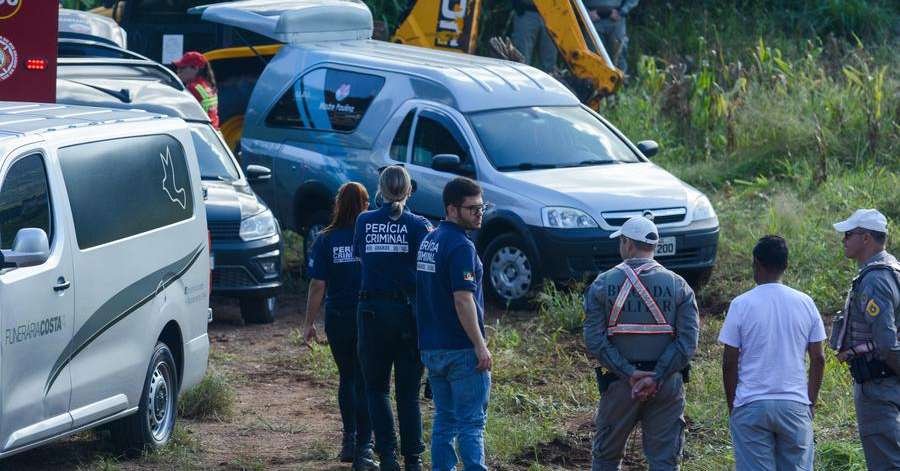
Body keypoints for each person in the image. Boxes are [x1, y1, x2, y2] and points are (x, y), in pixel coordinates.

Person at [583, 216, 699, 471]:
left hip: (619, 386)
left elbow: (594, 340)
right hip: (666, 385)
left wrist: (630, 373)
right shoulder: (680, 286)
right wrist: (656, 376)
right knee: (665, 461)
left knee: (606, 458)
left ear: (627, 243)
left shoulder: (602, 284)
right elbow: (688, 343)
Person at [719, 235, 826, 470]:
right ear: (786, 265)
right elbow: (818, 358)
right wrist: (810, 402)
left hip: (751, 405)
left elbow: (729, 362)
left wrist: (733, 406)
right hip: (795, 405)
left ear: (756, 263)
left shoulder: (741, 304)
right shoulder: (805, 302)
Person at [352, 166, 432, 471]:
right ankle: (413, 460)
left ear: (380, 190)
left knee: (377, 389)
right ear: (409, 191)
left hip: (372, 314)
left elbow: (363, 258)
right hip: (409, 315)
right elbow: (426, 271)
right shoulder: (419, 225)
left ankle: (387, 458)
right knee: (408, 395)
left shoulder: (364, 220)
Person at [416, 177, 492, 470]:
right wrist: (480, 346)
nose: (479, 213)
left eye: (481, 207)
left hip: (432, 347)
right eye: (472, 208)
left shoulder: (429, 240)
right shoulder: (461, 246)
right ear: (451, 209)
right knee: (471, 424)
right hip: (460, 349)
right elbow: (463, 300)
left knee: (444, 422)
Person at [303, 182, 378, 470]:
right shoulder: (371, 236)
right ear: (362, 205)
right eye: (367, 202)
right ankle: (365, 445)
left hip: (338, 316)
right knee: (367, 380)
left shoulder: (326, 239)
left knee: (347, 377)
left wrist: (309, 323)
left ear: (338, 204)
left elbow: (318, 284)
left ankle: (349, 439)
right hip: (369, 315)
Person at [830, 209, 900, 470]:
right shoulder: (892, 268)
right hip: (885, 381)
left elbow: (886, 342)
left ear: (867, 238)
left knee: (886, 463)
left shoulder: (875, 280)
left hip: (879, 385)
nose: (843, 240)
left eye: (849, 234)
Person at [584, 0, 639, 75]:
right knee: (593, 54)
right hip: (593, 19)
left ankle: (620, 82)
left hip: (616, 19)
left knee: (619, 53)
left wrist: (622, 11)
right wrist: (586, 13)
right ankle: (592, 83)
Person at [172, 51, 220, 128]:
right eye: (178, 68)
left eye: (182, 67)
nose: (178, 71)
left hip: (202, 133)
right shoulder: (209, 85)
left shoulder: (192, 88)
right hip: (213, 132)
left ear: (195, 68)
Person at [511, 0, 558, 72]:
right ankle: (518, 81)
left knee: (550, 63)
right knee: (521, 58)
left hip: (552, 13)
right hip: (526, 12)